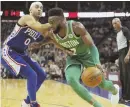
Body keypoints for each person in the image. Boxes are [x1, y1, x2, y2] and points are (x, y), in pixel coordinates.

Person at [43, 8, 120, 107]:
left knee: (103, 84)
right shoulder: (52, 32)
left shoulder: (76, 27)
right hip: (74, 58)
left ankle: (114, 90)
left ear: (62, 20)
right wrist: (64, 50)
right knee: (71, 79)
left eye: (53, 22)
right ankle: (98, 105)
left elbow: (92, 46)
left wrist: (97, 62)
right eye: (49, 22)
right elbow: (54, 42)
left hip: (87, 56)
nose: (51, 25)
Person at [1, 2, 51, 107]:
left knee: (41, 74)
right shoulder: (27, 18)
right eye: (37, 7)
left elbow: (45, 38)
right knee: (31, 75)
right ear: (30, 10)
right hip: (9, 51)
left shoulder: (38, 27)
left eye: (41, 8)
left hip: (21, 53)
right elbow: (41, 27)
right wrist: (54, 23)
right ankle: (33, 104)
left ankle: (27, 102)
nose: (39, 9)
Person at [112, 18, 130, 103]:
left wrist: (128, 55)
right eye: (113, 24)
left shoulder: (125, 30)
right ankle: (124, 95)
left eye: (115, 23)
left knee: (127, 76)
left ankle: (127, 97)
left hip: (126, 52)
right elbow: (120, 47)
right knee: (122, 76)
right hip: (121, 54)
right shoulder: (117, 34)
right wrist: (119, 58)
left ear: (119, 22)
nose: (114, 25)